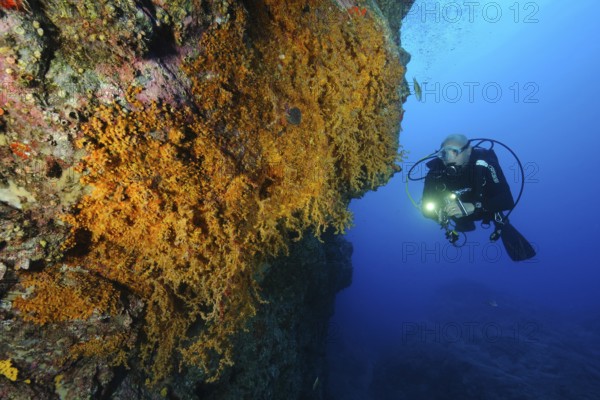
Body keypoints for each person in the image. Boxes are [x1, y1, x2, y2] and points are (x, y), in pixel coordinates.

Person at [420, 134, 535, 261]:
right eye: (443, 154)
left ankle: (502, 228)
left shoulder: (485, 163)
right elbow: (426, 207)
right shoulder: (435, 171)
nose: (448, 159)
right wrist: (438, 213)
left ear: (469, 150)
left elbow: (507, 200)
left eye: (455, 151)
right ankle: (465, 224)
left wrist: (475, 206)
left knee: (500, 221)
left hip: (486, 208)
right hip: (455, 212)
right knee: (460, 223)